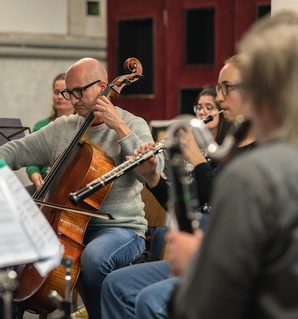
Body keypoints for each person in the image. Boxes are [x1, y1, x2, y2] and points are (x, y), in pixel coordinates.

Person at [0, 57, 164, 319]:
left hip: (118, 229)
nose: (72, 100)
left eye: (79, 92)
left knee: (94, 259)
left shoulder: (133, 124)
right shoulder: (64, 127)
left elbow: (152, 172)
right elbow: (14, 150)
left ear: (103, 86)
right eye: (68, 93)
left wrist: (118, 126)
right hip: (64, 226)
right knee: (0, 250)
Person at [101, 55, 254, 319]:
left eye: (227, 87)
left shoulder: (263, 150)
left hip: (230, 264)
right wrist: (152, 179)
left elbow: (223, 203)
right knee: (115, 285)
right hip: (204, 255)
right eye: (219, 88)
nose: (220, 98)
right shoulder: (228, 148)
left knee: (151, 300)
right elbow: (188, 206)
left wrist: (197, 161)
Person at [169, 10, 298, 319]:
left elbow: (204, 307)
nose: (222, 96)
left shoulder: (252, 176)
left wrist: (194, 265)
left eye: (230, 87)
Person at [26, 73, 75, 192]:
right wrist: (34, 174)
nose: (59, 96)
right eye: (56, 92)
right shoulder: (41, 125)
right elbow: (31, 160)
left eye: (65, 92)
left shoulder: (81, 124)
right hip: (43, 184)